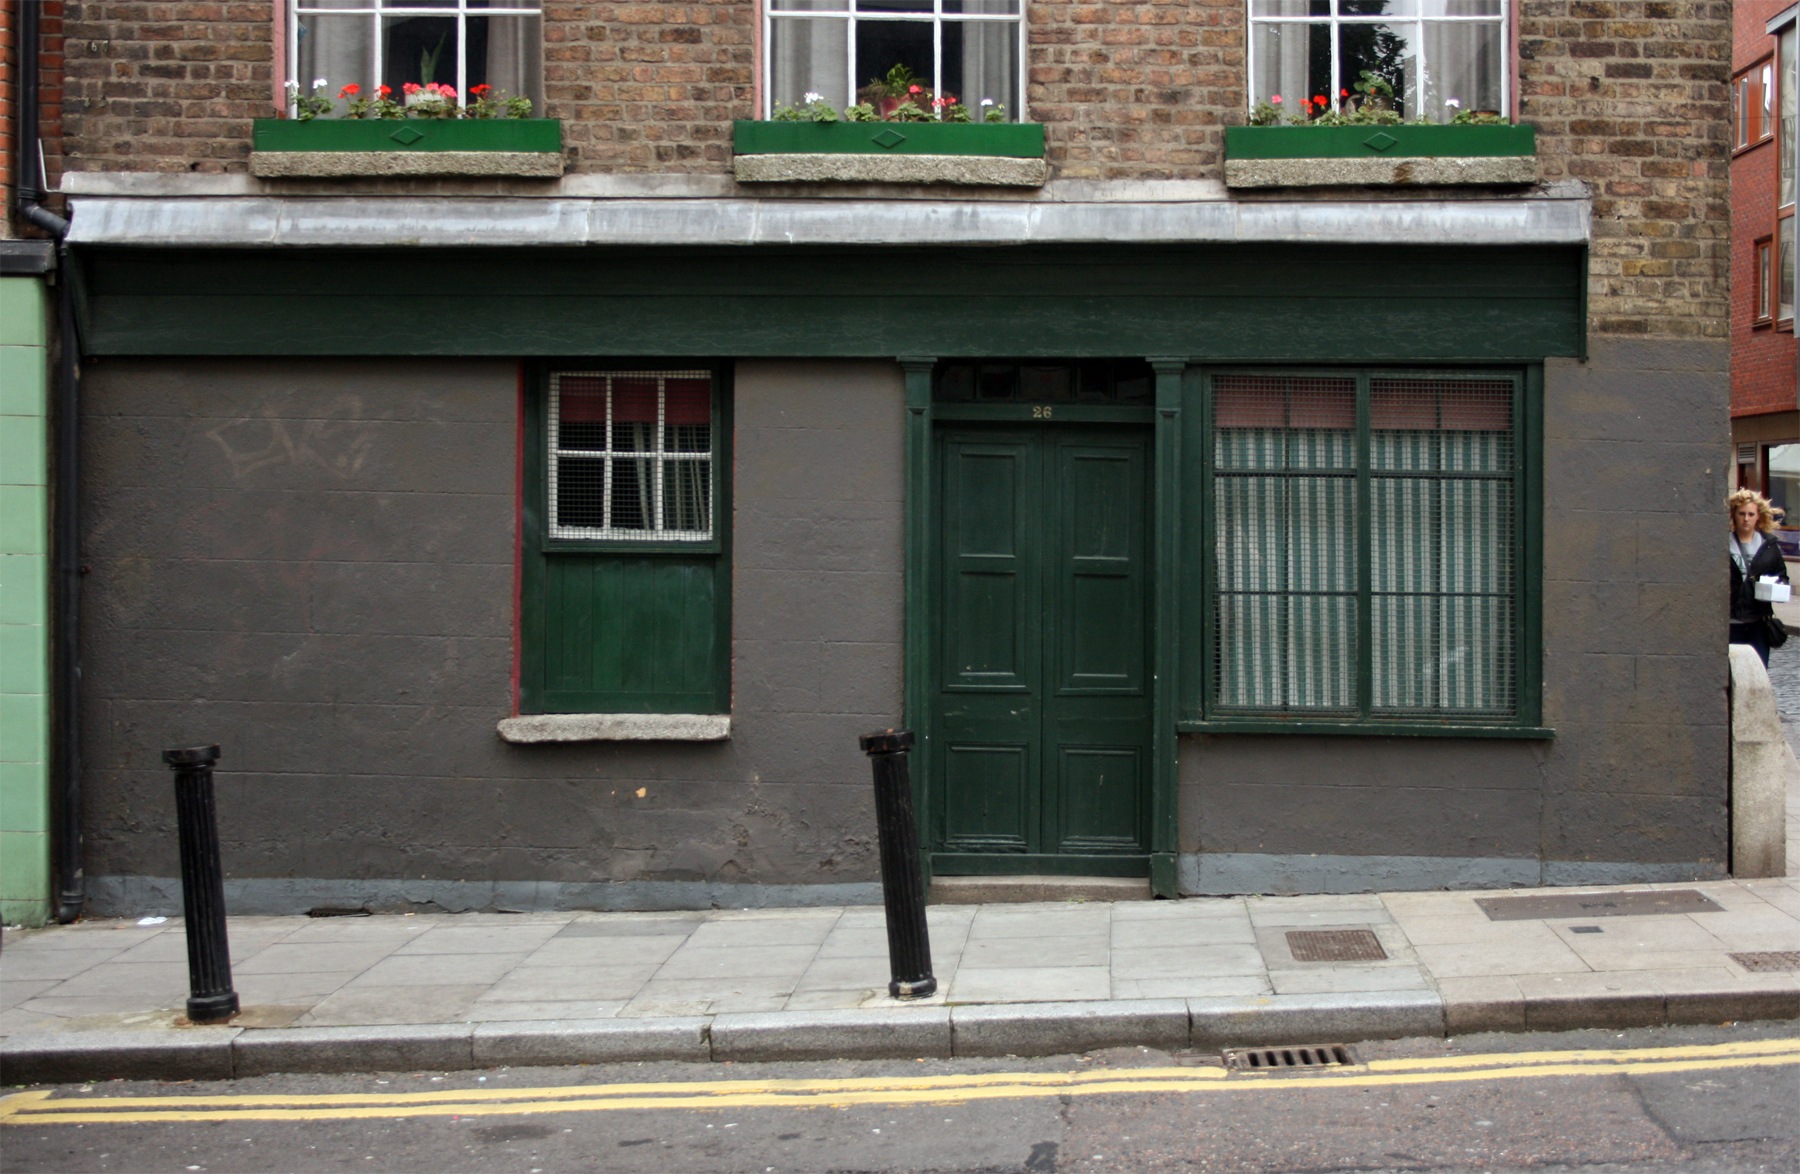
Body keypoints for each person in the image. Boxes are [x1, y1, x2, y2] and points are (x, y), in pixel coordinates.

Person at [1728, 488, 1789, 666]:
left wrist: (1777, 586)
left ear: (1758, 517)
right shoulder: (1724, 543)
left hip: (1759, 622)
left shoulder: (1769, 545)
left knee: (1758, 671)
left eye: (1751, 514)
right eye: (1741, 514)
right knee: (1732, 671)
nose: (1746, 519)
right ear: (1734, 515)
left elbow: (1782, 576)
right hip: (1731, 621)